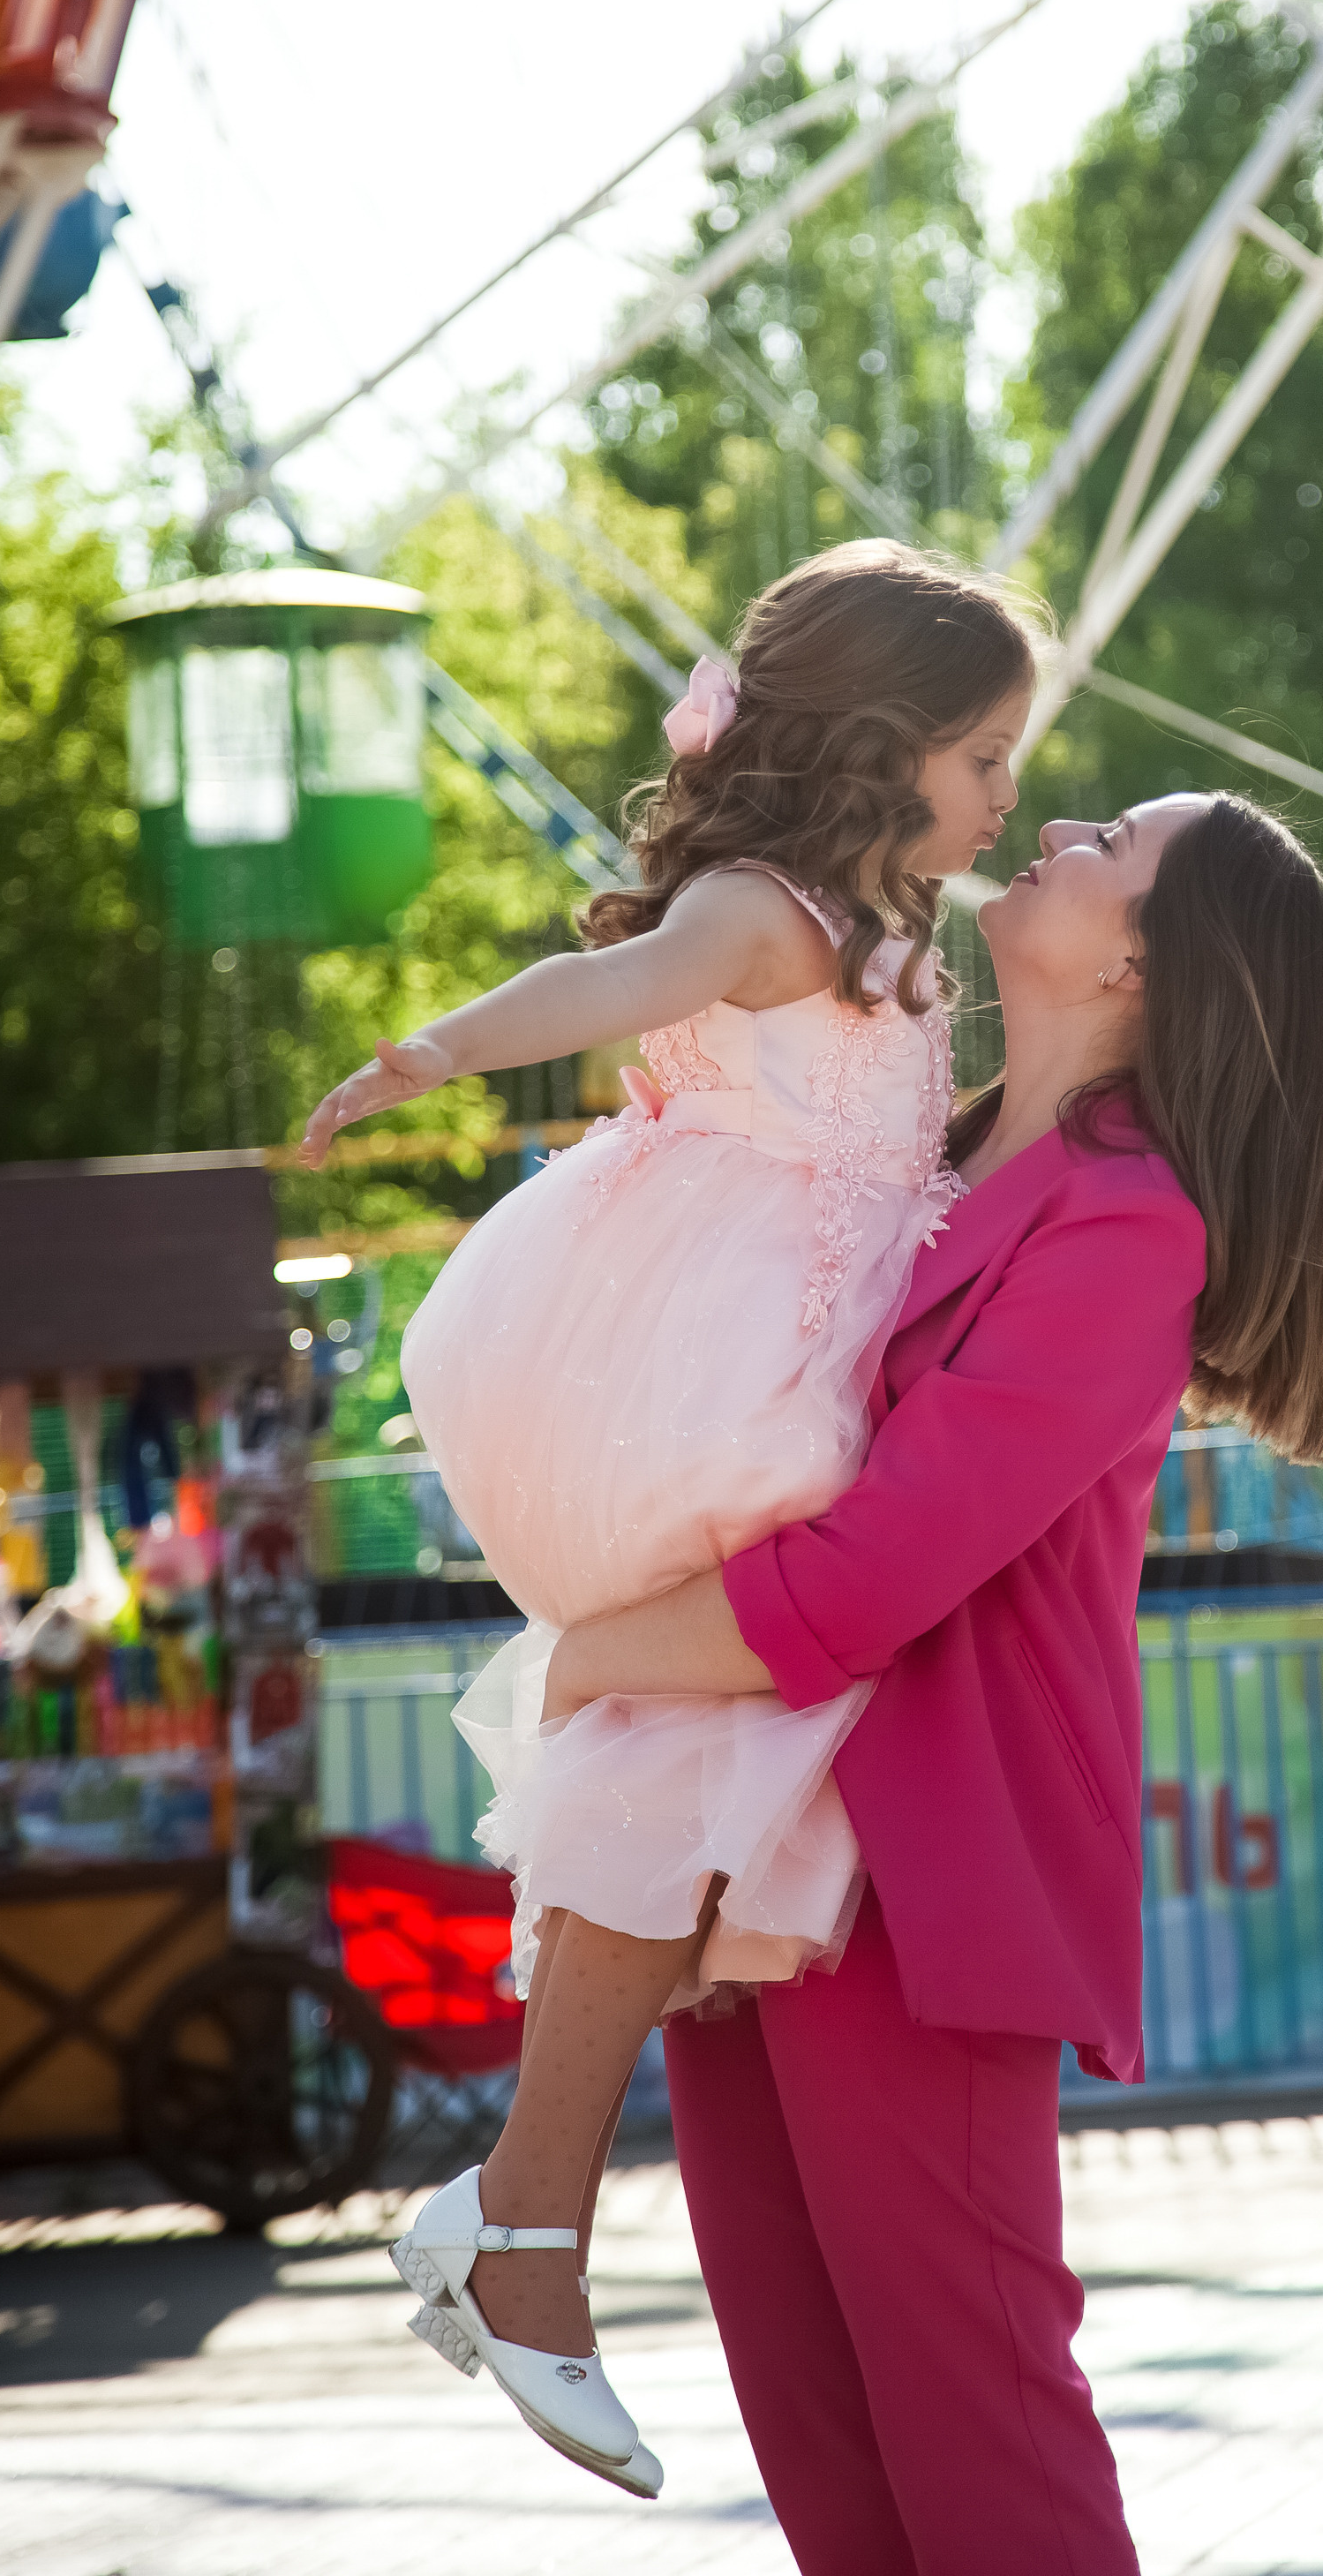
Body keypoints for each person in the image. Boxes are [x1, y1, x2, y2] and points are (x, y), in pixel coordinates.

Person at [536, 787, 1323, 2570]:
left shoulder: (1130, 1228)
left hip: (914, 1875)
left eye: (1116, 842)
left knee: (980, 2432)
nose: (1063, 822)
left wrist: (594, 1652)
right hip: (740, 1828)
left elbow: (882, 1573)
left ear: (1153, 956)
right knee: (819, 2433)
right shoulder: (904, 1131)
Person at [297, 539, 1038, 2496]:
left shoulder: (895, 933)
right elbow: (607, 981)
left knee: (716, 1736)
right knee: (718, 1712)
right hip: (704, 1356)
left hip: (794, 1346)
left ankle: (521, 2227)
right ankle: (522, 2232)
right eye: (984, 759)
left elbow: (903, 1142)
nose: (1008, 798)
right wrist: (439, 1051)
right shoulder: (769, 910)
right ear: (879, 750)